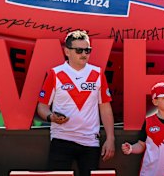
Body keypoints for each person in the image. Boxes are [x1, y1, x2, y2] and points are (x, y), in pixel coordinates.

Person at [37, 30, 115, 176]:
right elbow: (42, 106)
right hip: (61, 139)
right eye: (79, 50)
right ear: (67, 51)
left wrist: (110, 139)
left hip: (90, 142)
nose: (84, 54)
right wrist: (50, 117)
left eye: (87, 50)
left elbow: (105, 108)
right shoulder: (55, 73)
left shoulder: (97, 73)